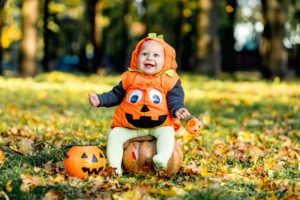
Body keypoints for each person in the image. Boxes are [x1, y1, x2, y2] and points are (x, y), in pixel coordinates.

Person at [89, 33, 190, 175]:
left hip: (159, 125)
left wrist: (178, 109)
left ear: (165, 60)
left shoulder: (169, 80)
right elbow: (116, 94)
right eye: (145, 54)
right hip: (131, 126)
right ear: (137, 57)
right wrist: (100, 100)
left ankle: (163, 157)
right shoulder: (130, 77)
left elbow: (175, 98)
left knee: (168, 133)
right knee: (115, 135)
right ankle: (115, 168)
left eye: (156, 55)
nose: (149, 58)